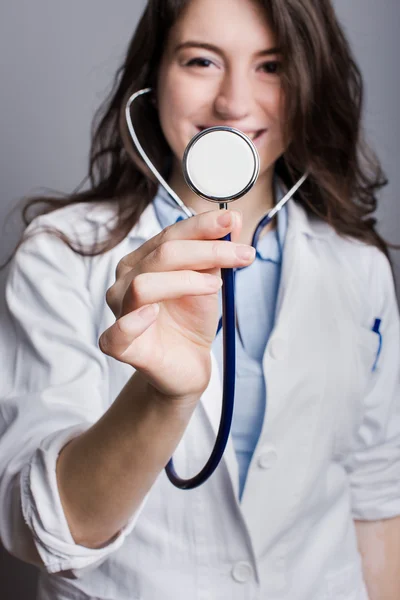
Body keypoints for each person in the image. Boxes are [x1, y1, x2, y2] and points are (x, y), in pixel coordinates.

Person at [0, 0, 399, 598]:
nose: (234, 102)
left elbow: (378, 501)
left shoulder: (358, 267)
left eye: (273, 65)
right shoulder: (61, 254)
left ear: (310, 83)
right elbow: (46, 531)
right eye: (202, 61)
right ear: (153, 78)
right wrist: (163, 396)